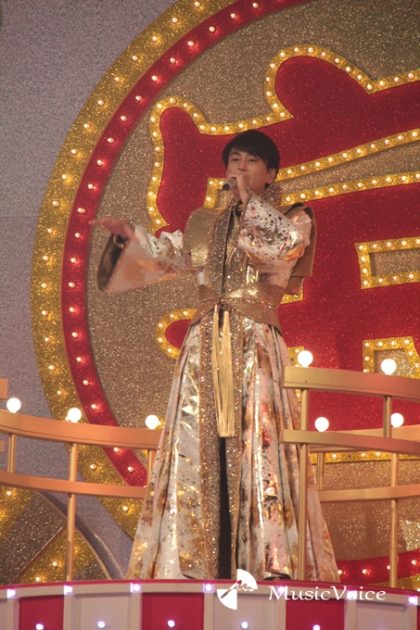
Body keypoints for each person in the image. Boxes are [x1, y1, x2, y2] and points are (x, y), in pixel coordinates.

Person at [92, 130, 338, 581]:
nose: (239, 168)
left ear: (271, 173)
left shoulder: (294, 218)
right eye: (234, 160)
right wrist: (130, 238)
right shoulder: (205, 223)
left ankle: (268, 564)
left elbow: (283, 248)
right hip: (203, 344)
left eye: (250, 162)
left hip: (254, 343)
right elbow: (169, 256)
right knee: (194, 443)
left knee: (259, 441)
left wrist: (249, 206)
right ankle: (189, 565)